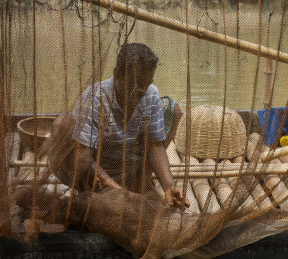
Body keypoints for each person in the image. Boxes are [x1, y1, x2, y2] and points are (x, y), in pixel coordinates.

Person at [48, 43, 190, 209]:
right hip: (94, 164)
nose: (142, 90)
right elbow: (84, 158)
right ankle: (92, 191)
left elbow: (155, 146)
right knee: (63, 125)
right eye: (136, 83)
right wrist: (122, 193)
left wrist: (169, 185)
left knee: (173, 110)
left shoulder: (150, 93)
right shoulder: (96, 98)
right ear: (117, 73)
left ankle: (140, 182)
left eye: (147, 83)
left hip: (125, 159)